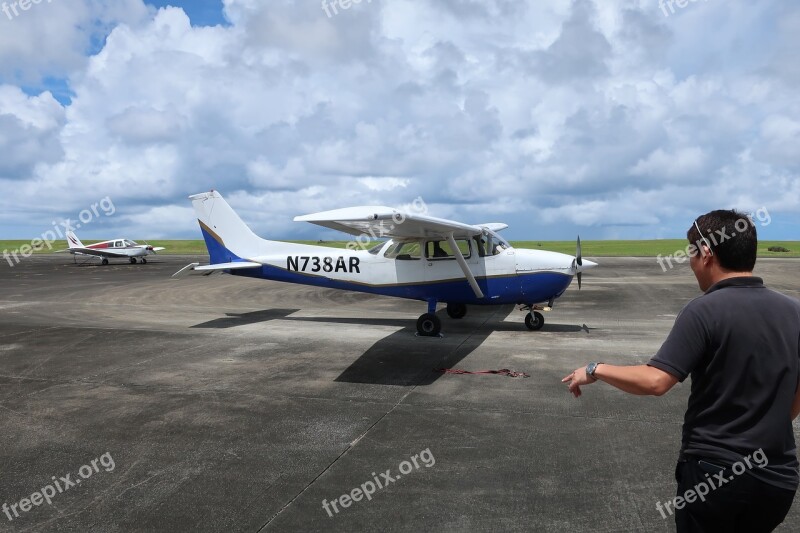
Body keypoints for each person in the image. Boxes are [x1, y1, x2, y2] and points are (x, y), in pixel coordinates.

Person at [562, 209, 800, 532]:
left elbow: (656, 380)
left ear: (706, 253)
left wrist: (594, 368)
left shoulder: (703, 311)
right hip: (777, 480)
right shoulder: (794, 312)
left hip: (715, 478)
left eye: (691, 252)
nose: (690, 262)